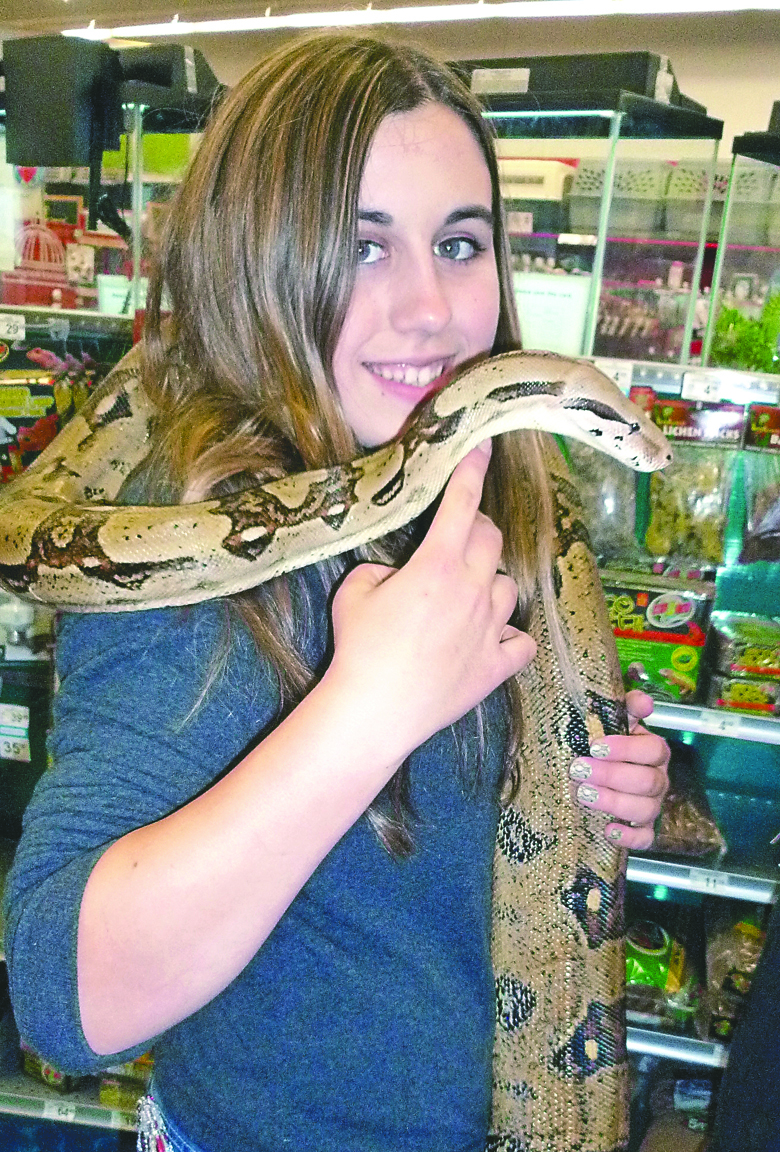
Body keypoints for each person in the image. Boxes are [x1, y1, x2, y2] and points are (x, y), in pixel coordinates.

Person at [3, 33, 670, 1152]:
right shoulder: (187, 551)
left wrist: (623, 783)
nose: (429, 309)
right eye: (363, 248)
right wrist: (366, 713)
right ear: (258, 257)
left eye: (460, 243)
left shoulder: (481, 477)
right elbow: (66, 1001)